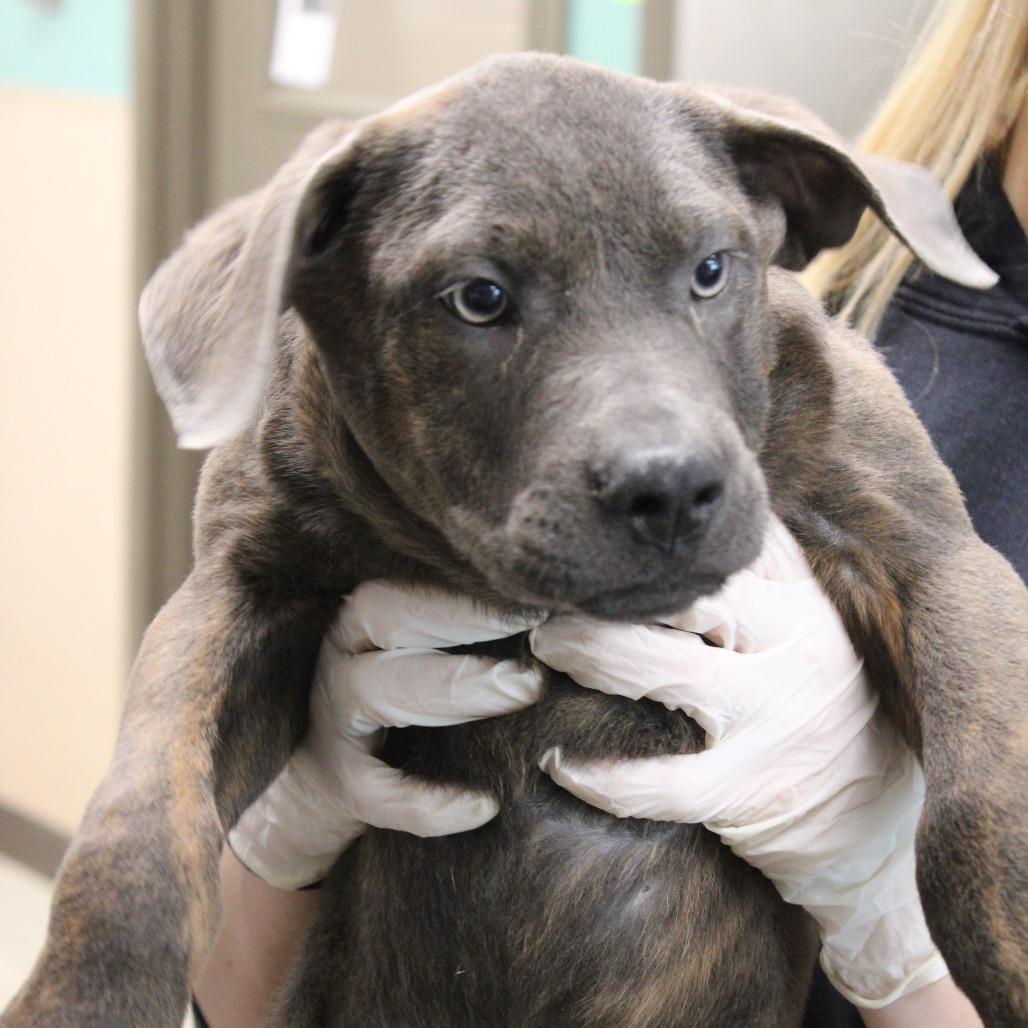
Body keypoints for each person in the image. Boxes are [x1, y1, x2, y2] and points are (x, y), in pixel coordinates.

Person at [193, 0, 1026, 1024]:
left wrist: (888, 933)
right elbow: (227, 1002)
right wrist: (283, 829)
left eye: (709, 279)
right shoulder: (795, 279)